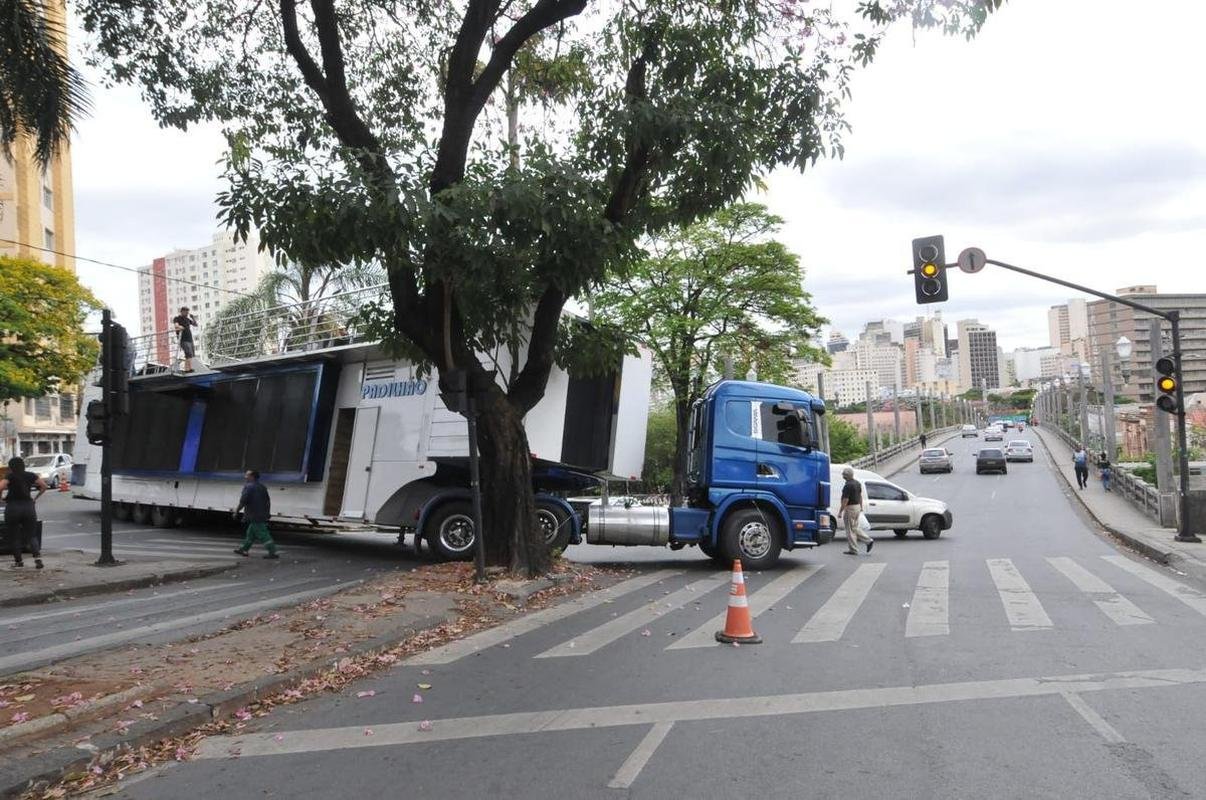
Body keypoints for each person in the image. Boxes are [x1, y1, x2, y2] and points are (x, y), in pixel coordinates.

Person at [1, 457, 48, 569]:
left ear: (11, 467)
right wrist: (35, 498)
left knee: (14, 535)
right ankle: (37, 558)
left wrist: (1, 498)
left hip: (13, 507)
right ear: (23, 465)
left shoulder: (10, 476)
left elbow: (1, 486)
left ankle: (19, 562)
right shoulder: (31, 475)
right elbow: (44, 486)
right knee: (32, 534)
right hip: (28, 507)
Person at [232, 470, 279, 559]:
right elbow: (268, 501)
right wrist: (267, 513)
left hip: (254, 515)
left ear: (252, 477)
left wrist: (236, 511)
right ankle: (243, 549)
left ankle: (272, 552)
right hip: (261, 514)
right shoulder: (262, 487)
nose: (245, 477)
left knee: (263, 534)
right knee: (251, 533)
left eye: (247, 475)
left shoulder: (249, 487)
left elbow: (243, 501)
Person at [838, 466, 873, 555]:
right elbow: (860, 496)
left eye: (843, 474)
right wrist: (861, 507)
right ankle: (867, 541)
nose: (842, 476)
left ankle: (855, 548)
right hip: (857, 507)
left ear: (846, 476)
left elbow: (845, 500)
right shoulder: (857, 483)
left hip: (850, 508)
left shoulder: (848, 486)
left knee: (850, 529)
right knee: (854, 527)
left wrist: (840, 511)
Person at [172, 306, 198, 373]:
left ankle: (188, 369)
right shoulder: (177, 318)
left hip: (190, 339)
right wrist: (180, 327)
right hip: (183, 339)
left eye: (187, 312)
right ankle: (187, 369)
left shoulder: (187, 319)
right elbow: (176, 325)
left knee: (191, 354)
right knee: (188, 353)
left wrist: (193, 318)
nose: (187, 313)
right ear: (182, 311)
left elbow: (195, 324)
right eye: (186, 312)